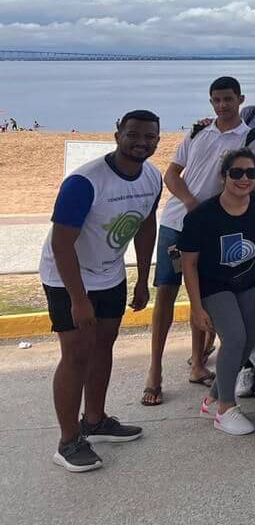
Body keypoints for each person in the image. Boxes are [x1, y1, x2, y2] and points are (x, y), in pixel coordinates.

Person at [40, 110, 162, 472]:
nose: (141, 142)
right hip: (67, 278)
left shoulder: (152, 177)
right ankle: (68, 441)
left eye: (150, 136)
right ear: (117, 135)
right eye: (133, 134)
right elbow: (62, 244)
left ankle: (94, 420)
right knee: (76, 355)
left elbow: (146, 226)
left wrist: (142, 278)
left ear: (157, 140)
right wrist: (78, 299)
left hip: (110, 274)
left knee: (104, 345)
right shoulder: (84, 182)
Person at [145, 77, 255, 406]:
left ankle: (198, 363)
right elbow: (171, 174)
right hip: (175, 222)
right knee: (166, 294)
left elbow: (245, 181)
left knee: (202, 295)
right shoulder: (197, 132)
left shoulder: (250, 138)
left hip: (214, 229)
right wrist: (192, 204)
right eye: (217, 100)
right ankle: (154, 370)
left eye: (228, 99)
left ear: (240, 99)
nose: (222, 105)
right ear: (211, 102)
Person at [179, 148, 255, 436]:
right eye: (236, 172)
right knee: (234, 337)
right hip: (214, 284)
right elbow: (189, 263)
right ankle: (225, 409)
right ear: (223, 176)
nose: (244, 178)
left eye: (250, 172)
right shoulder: (202, 216)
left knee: (250, 336)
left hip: (250, 280)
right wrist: (197, 307)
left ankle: (213, 397)